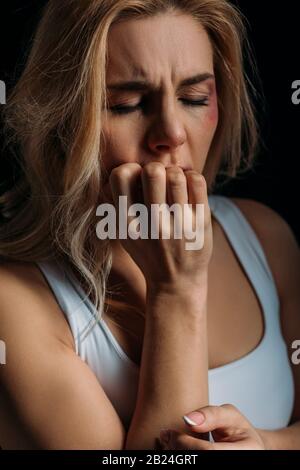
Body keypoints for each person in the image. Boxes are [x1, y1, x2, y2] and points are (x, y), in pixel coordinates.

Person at [0, 0, 299, 450]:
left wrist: (264, 445)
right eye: (127, 104)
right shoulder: (14, 303)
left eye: (195, 98)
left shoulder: (266, 238)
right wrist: (175, 291)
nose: (172, 133)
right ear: (62, 118)